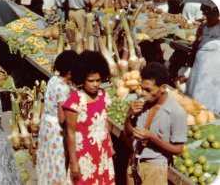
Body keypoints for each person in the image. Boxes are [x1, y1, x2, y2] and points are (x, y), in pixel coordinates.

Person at [124, 62, 187, 185]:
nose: (143, 93)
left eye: (148, 90)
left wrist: (152, 137)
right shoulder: (141, 104)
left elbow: (178, 149)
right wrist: (128, 115)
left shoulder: (176, 112)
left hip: (155, 168)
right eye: (142, 88)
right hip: (133, 163)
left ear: (162, 88)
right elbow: (128, 133)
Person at [62, 50, 115, 184]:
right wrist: (73, 162)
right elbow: (70, 133)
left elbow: (105, 123)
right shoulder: (74, 101)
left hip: (102, 152)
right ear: (82, 79)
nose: (95, 84)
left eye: (98, 80)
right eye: (90, 81)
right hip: (84, 155)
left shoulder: (104, 96)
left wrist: (110, 144)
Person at [36, 50, 78, 185]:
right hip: (56, 130)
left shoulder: (53, 79)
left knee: (47, 157)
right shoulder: (63, 88)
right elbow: (62, 117)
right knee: (57, 161)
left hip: (46, 124)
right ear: (70, 72)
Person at [187, 4, 220, 115]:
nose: (210, 17)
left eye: (213, 14)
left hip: (215, 64)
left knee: (213, 90)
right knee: (198, 88)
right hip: (201, 62)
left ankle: (212, 113)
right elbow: (195, 44)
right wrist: (198, 38)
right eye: (207, 14)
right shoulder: (202, 27)